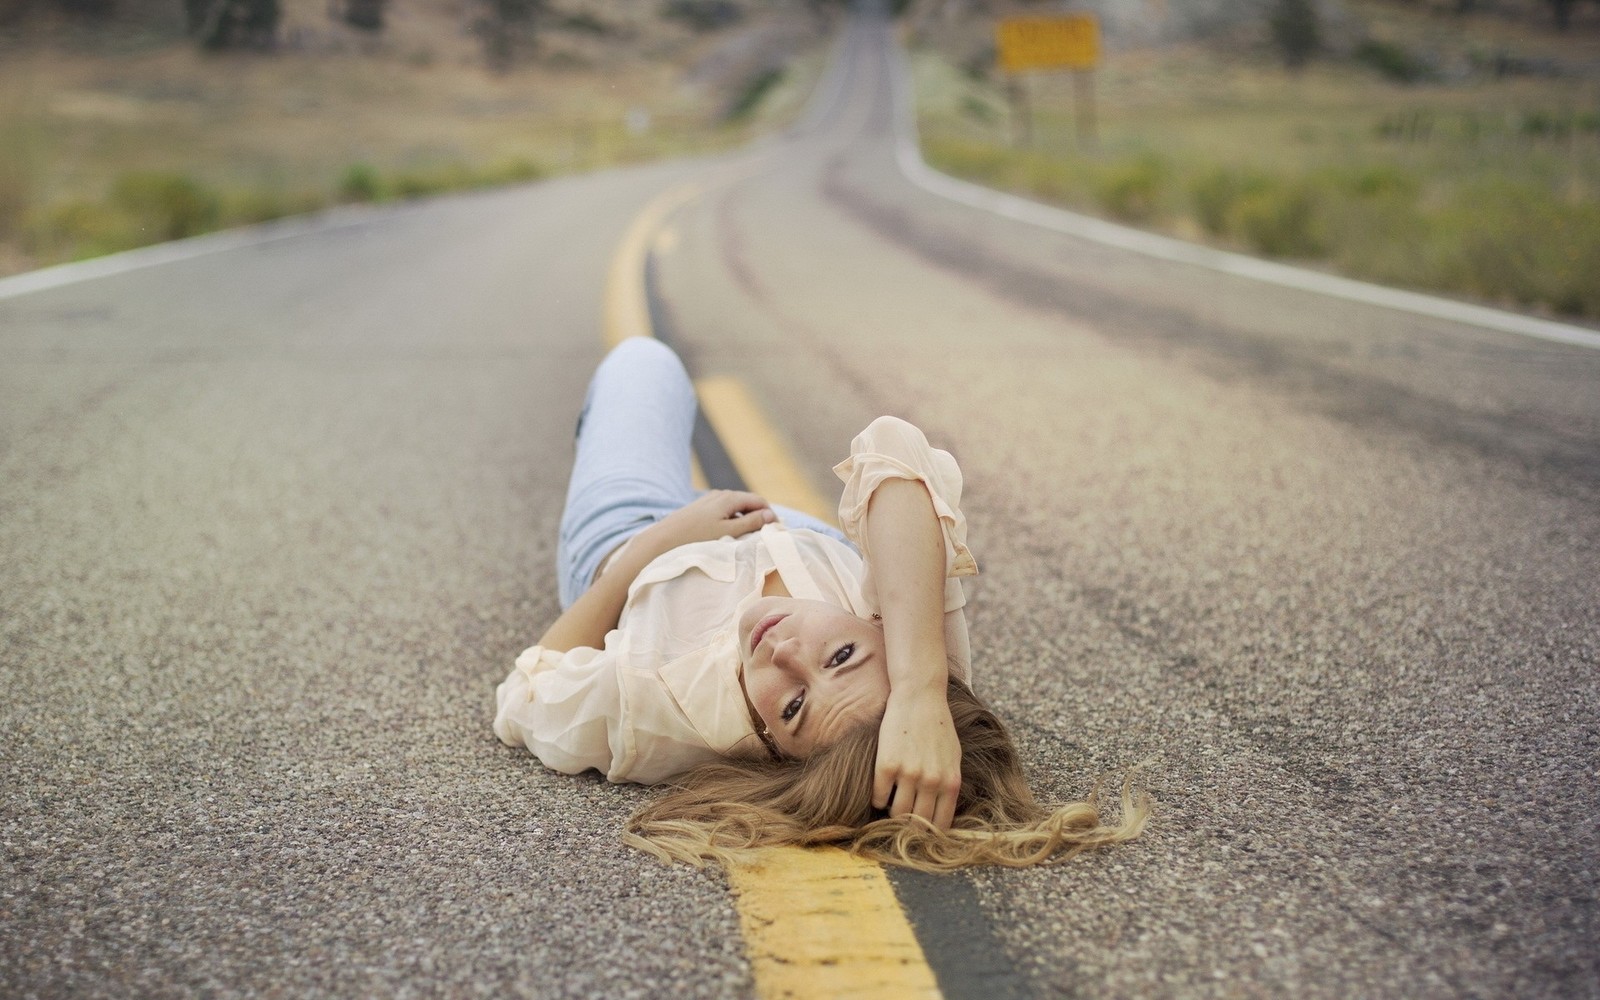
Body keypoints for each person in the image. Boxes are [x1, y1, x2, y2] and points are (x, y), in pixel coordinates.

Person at [495, 337, 1146, 870]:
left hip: (633, 536)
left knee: (644, 361)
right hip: (793, 534)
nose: (781, 651)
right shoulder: (920, 685)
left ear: (777, 751)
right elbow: (893, 447)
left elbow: (525, 695)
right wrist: (920, 689)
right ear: (878, 628)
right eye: (840, 654)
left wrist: (659, 541)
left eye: (793, 704)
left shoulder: (656, 705)